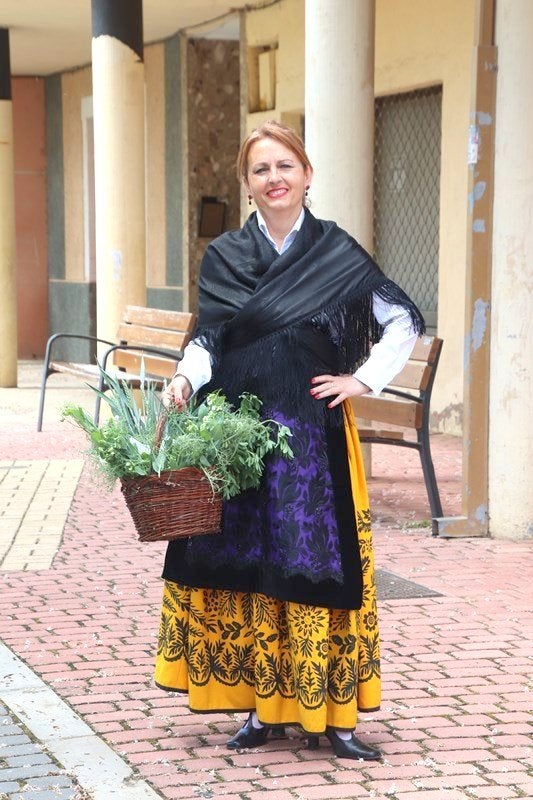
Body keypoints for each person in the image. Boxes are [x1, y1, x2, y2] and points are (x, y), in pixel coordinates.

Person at [155, 121, 424, 760]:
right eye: (260, 170)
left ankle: (335, 718)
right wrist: (185, 381)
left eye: (285, 166)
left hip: (311, 436)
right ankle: (259, 710)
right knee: (247, 565)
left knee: (321, 568)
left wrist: (360, 379)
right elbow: (208, 340)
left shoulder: (335, 252)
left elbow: (402, 321)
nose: (274, 178)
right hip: (239, 433)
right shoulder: (224, 256)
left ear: (306, 174)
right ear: (247, 186)